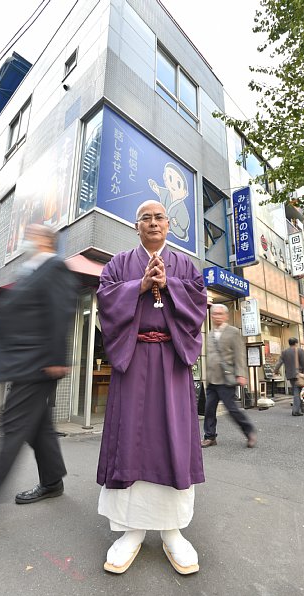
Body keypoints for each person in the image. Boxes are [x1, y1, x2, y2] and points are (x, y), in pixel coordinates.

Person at [96, 200, 206, 575]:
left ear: (168, 225)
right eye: (146, 218)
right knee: (129, 438)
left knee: (173, 438)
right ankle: (132, 529)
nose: (154, 223)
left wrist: (169, 285)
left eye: (160, 217)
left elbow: (198, 305)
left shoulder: (187, 267)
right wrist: (139, 286)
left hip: (172, 362)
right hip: (133, 357)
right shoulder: (117, 264)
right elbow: (105, 302)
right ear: (136, 225)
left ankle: (173, 530)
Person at [0, 224, 78, 536]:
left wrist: (59, 357)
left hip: (39, 365)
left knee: (12, 430)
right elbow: (8, 312)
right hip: (25, 364)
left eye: (32, 233)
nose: (25, 237)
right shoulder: (29, 271)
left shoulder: (54, 267)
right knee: (39, 428)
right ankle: (52, 481)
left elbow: (61, 311)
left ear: (46, 240)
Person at [201, 304, 257, 449]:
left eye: (220, 314)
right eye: (214, 314)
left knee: (232, 410)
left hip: (226, 379)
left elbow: (239, 354)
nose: (217, 316)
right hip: (212, 379)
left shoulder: (233, 332)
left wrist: (241, 374)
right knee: (209, 409)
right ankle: (210, 437)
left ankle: (249, 431)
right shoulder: (210, 333)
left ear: (226, 316)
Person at [274, 337, 304, 416]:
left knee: (298, 391)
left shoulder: (284, 352)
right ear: (296, 343)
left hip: (289, 374)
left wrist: (275, 371)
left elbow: (279, 363)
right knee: (297, 392)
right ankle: (296, 410)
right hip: (299, 374)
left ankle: (301, 407)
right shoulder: (300, 351)